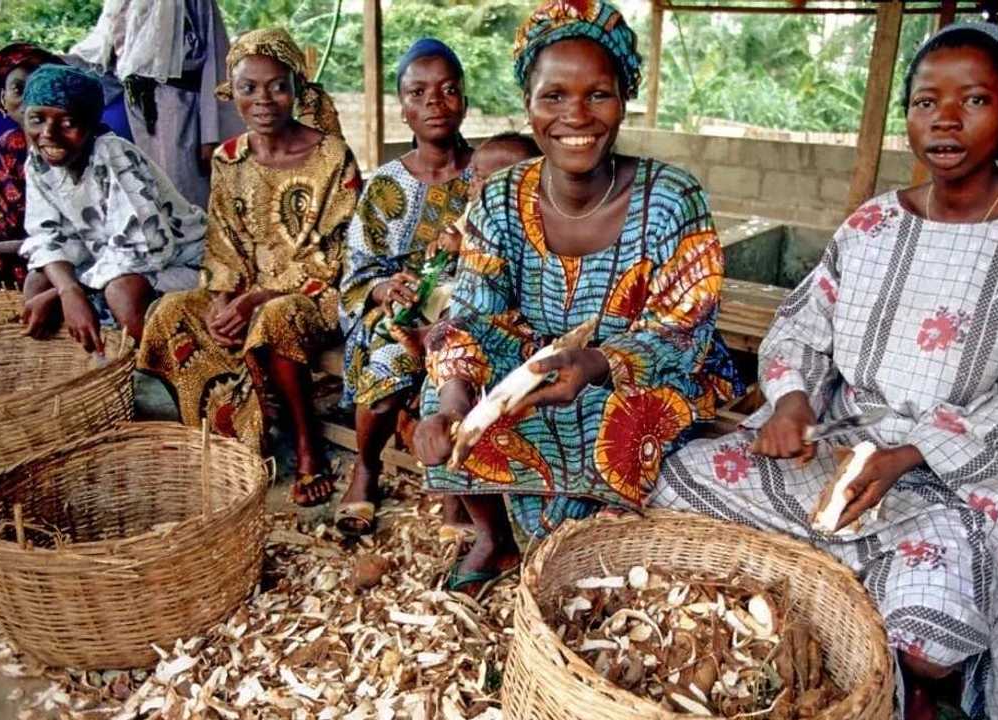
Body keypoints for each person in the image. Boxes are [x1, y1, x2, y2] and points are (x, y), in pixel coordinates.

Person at [649, 24, 998, 720]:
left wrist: (907, 454)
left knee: (931, 639)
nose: (945, 120)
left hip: (954, 477)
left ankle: (902, 706)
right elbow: (802, 327)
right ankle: (828, 603)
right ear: (908, 117)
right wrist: (792, 401)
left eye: (974, 100)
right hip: (844, 442)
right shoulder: (871, 227)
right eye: (926, 102)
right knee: (679, 479)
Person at [412, 1, 736, 595]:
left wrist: (592, 364)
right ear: (529, 105)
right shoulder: (501, 196)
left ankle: (598, 558)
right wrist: (457, 402)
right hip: (536, 366)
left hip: (644, 373)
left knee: (615, 418)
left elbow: (684, 332)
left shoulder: (671, 197)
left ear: (625, 97)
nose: (575, 116)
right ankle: (499, 536)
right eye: (553, 96)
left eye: (598, 95)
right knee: (446, 386)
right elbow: (473, 315)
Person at [137, 28, 359, 508]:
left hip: (316, 292)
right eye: (248, 87)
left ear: (298, 88)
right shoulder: (228, 158)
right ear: (231, 93)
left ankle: (307, 449)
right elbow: (222, 242)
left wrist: (257, 299)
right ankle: (222, 441)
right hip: (243, 289)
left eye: (278, 85)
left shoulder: (331, 157)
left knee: (275, 319)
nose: (263, 99)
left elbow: (337, 254)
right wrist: (222, 300)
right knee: (171, 312)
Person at [334, 38, 475, 537]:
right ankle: (366, 466)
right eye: (418, 93)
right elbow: (357, 271)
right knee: (389, 366)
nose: (434, 103)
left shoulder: (491, 174)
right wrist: (384, 291)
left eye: (448, 90)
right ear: (403, 109)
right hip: (402, 315)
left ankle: (466, 499)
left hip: (473, 312)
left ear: (465, 98)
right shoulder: (386, 184)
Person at [18, 64, 205, 353]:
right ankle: (85, 371)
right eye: (36, 119)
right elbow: (46, 238)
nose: (48, 133)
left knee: (122, 292)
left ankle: (168, 370)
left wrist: (68, 292)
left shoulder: (114, 154)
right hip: (112, 264)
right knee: (38, 281)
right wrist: (66, 290)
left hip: (186, 264)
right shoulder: (39, 162)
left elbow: (146, 249)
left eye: (67, 122)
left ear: (91, 124)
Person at [69, 0, 241, 209]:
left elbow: (216, 58)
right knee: (147, 196)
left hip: (182, 112)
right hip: (136, 111)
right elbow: (101, 53)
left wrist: (210, 135)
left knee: (185, 197)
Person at [0, 43, 62, 288]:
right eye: (19, 89)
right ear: (3, 100)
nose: (32, 100)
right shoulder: (9, 145)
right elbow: (14, 221)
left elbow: (67, 231)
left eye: (41, 88)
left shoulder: (77, 142)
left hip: (66, 247)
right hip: (20, 239)